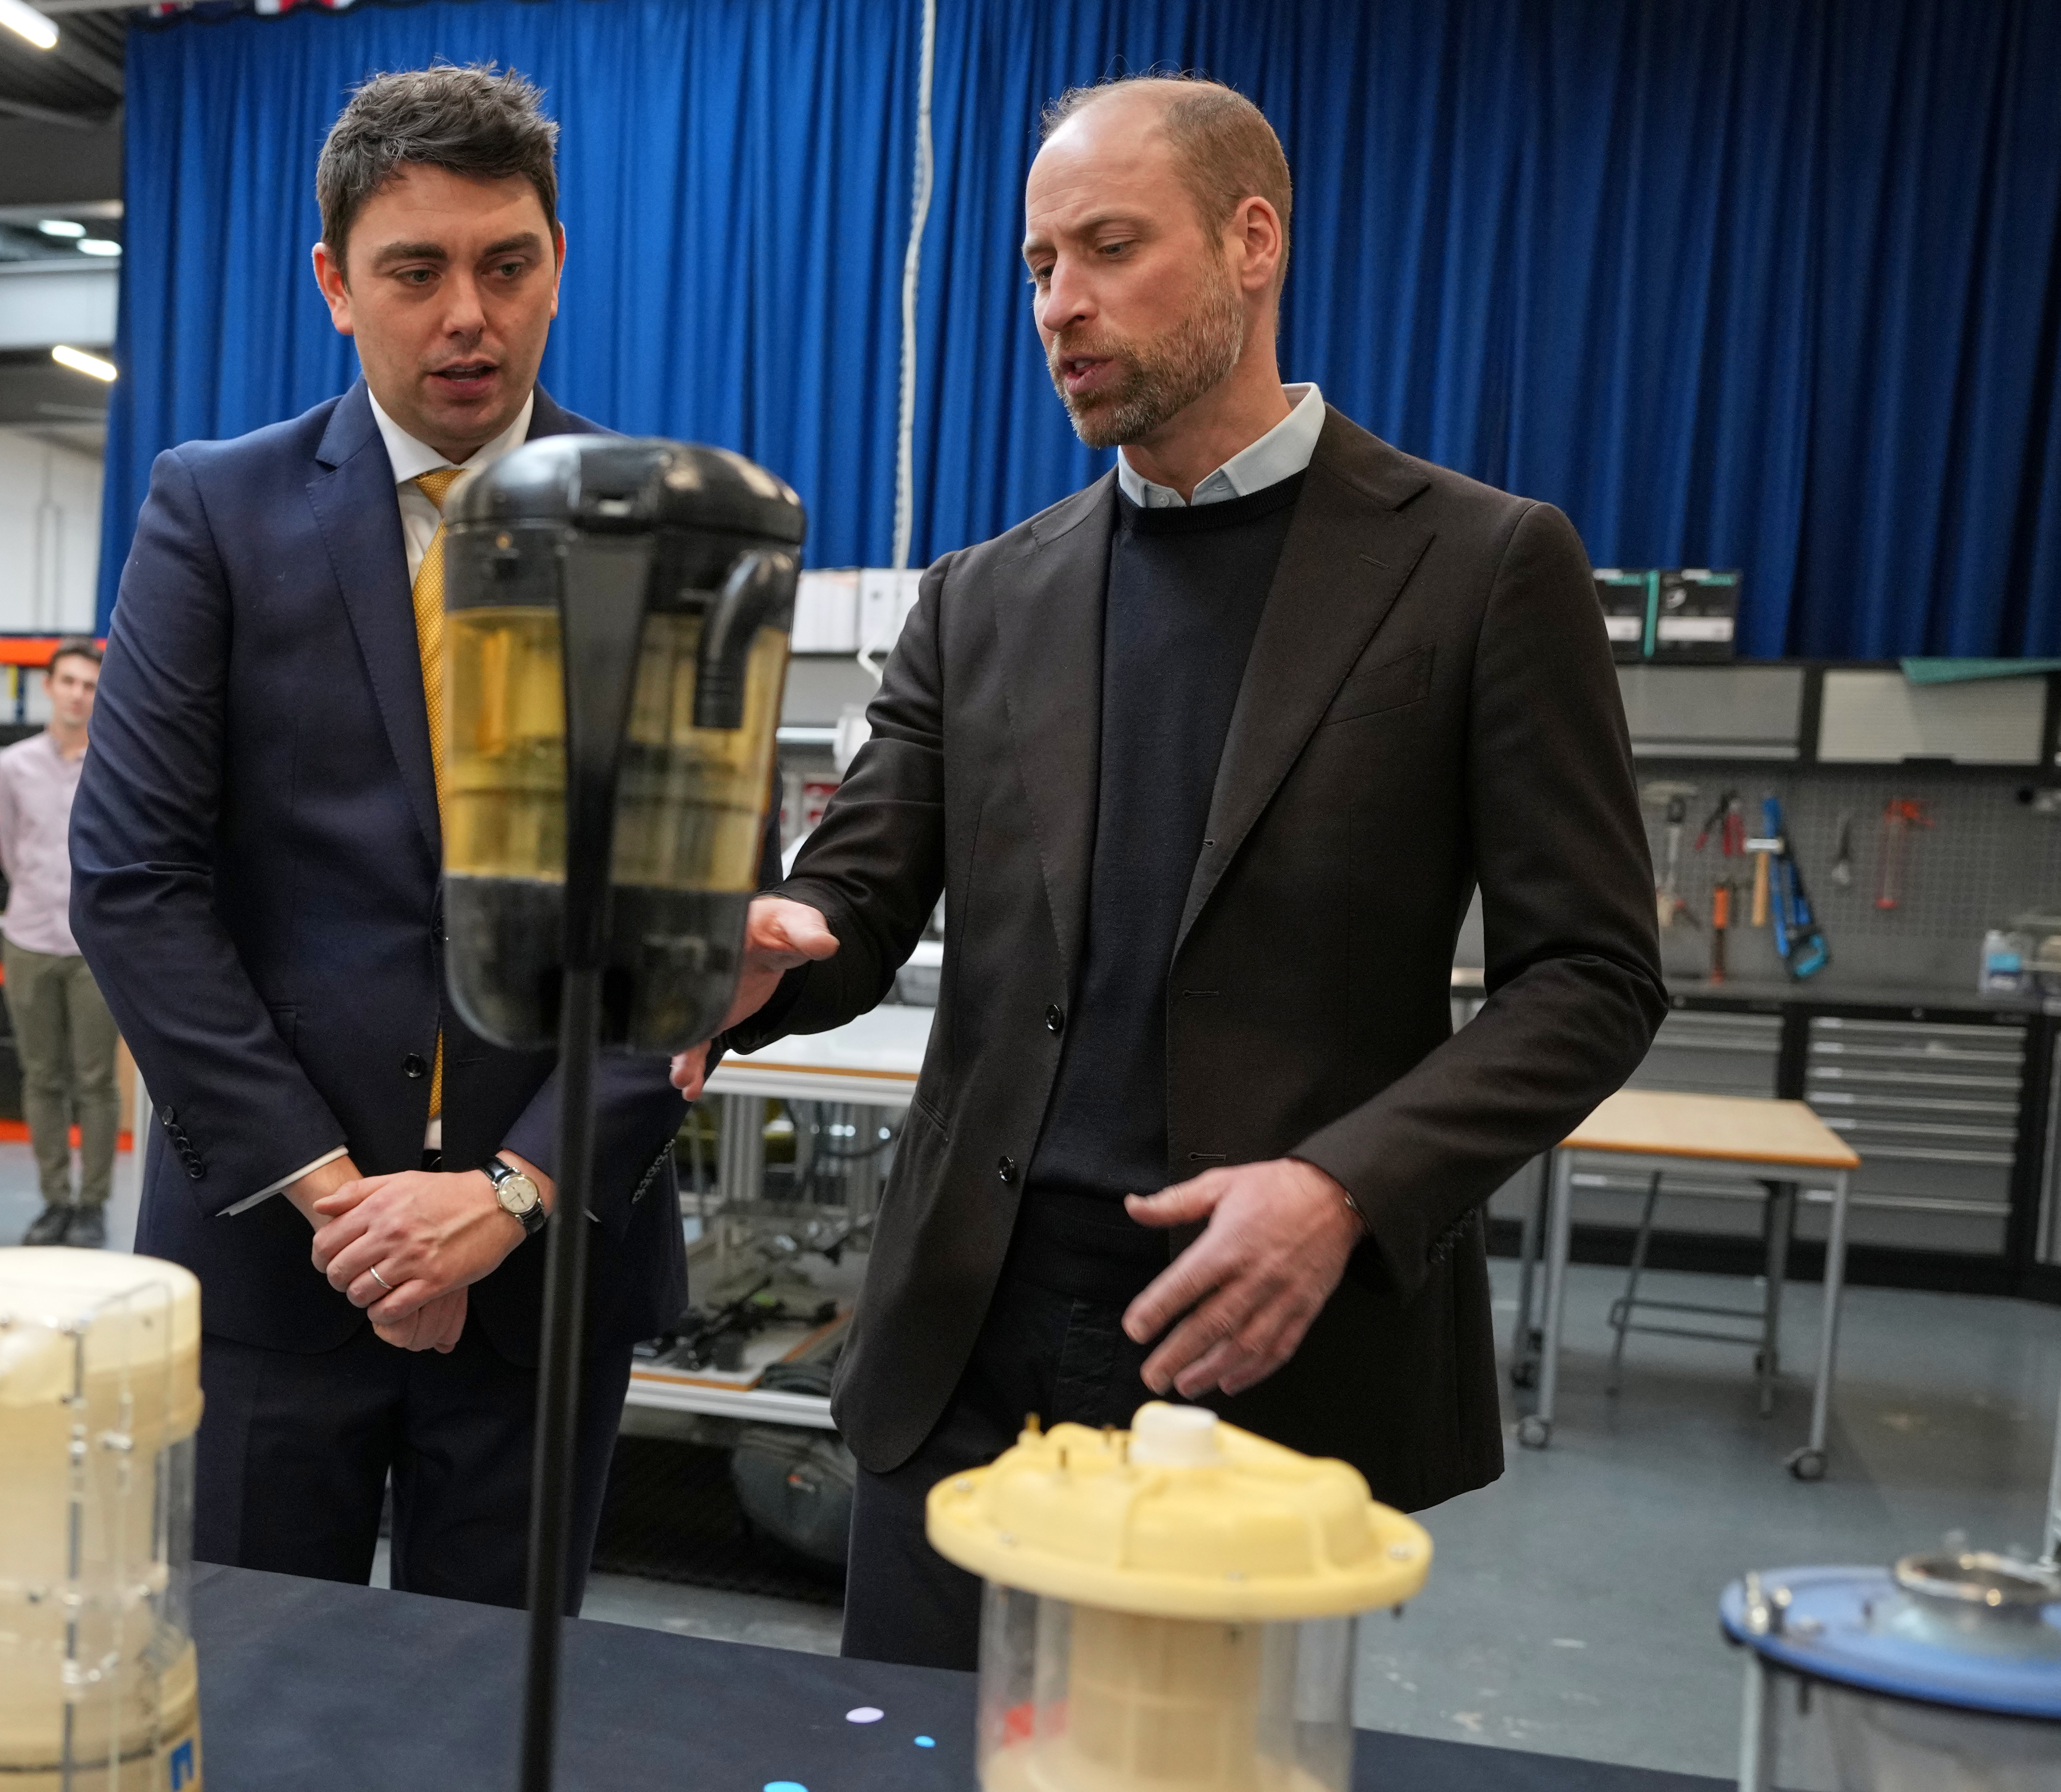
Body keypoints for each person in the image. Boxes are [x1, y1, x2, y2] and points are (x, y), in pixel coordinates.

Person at [680, 76, 1665, 1669]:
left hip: (1261, 1349)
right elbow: (853, 897)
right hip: (965, 1343)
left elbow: (1595, 977)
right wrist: (767, 956)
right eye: (1038, 266)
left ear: (1252, 243)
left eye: (1110, 249)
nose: (1059, 305)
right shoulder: (983, 598)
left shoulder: (1478, 569)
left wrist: (1345, 1188)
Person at [73, 65, 694, 1606]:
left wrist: (507, 1196)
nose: (467, 317)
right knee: (248, 1701)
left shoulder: (662, 533)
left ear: (558, 264)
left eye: (507, 265)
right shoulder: (216, 514)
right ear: (336, 284)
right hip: (276, 1259)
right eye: (415, 272)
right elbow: (136, 883)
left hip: (544, 1269)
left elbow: (682, 929)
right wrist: (346, 1207)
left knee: (495, 1717)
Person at [0, 639, 120, 1250]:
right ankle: (54, 1201)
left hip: (95, 946)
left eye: (89, 685)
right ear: (48, 687)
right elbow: (10, 849)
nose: (77, 694)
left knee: (95, 1080)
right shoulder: (13, 765)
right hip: (28, 939)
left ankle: (92, 1204)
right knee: (42, 1077)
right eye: (67, 681)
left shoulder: (117, 764)